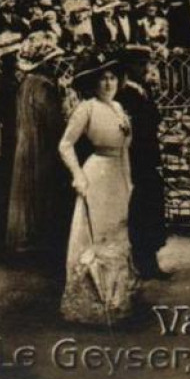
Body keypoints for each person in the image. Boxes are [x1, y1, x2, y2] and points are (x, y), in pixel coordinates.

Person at [58, 57, 139, 323]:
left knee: (117, 233)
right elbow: (65, 145)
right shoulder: (87, 108)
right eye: (102, 78)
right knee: (96, 235)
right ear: (94, 83)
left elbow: (125, 147)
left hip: (118, 173)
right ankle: (91, 303)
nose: (108, 83)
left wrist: (128, 181)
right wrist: (78, 175)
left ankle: (116, 300)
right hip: (97, 174)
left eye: (112, 78)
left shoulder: (118, 108)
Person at [7, 33, 75, 267]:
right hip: (42, 144)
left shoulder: (25, 83)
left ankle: (26, 242)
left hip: (25, 142)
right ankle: (39, 245)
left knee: (26, 190)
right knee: (42, 191)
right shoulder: (44, 86)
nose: (56, 64)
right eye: (53, 60)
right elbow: (53, 121)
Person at [117, 45, 169, 279]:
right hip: (135, 157)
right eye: (139, 64)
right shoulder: (125, 93)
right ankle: (142, 261)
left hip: (147, 155)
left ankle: (150, 259)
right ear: (129, 67)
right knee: (140, 208)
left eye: (145, 63)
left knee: (151, 205)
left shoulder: (144, 88)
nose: (144, 68)